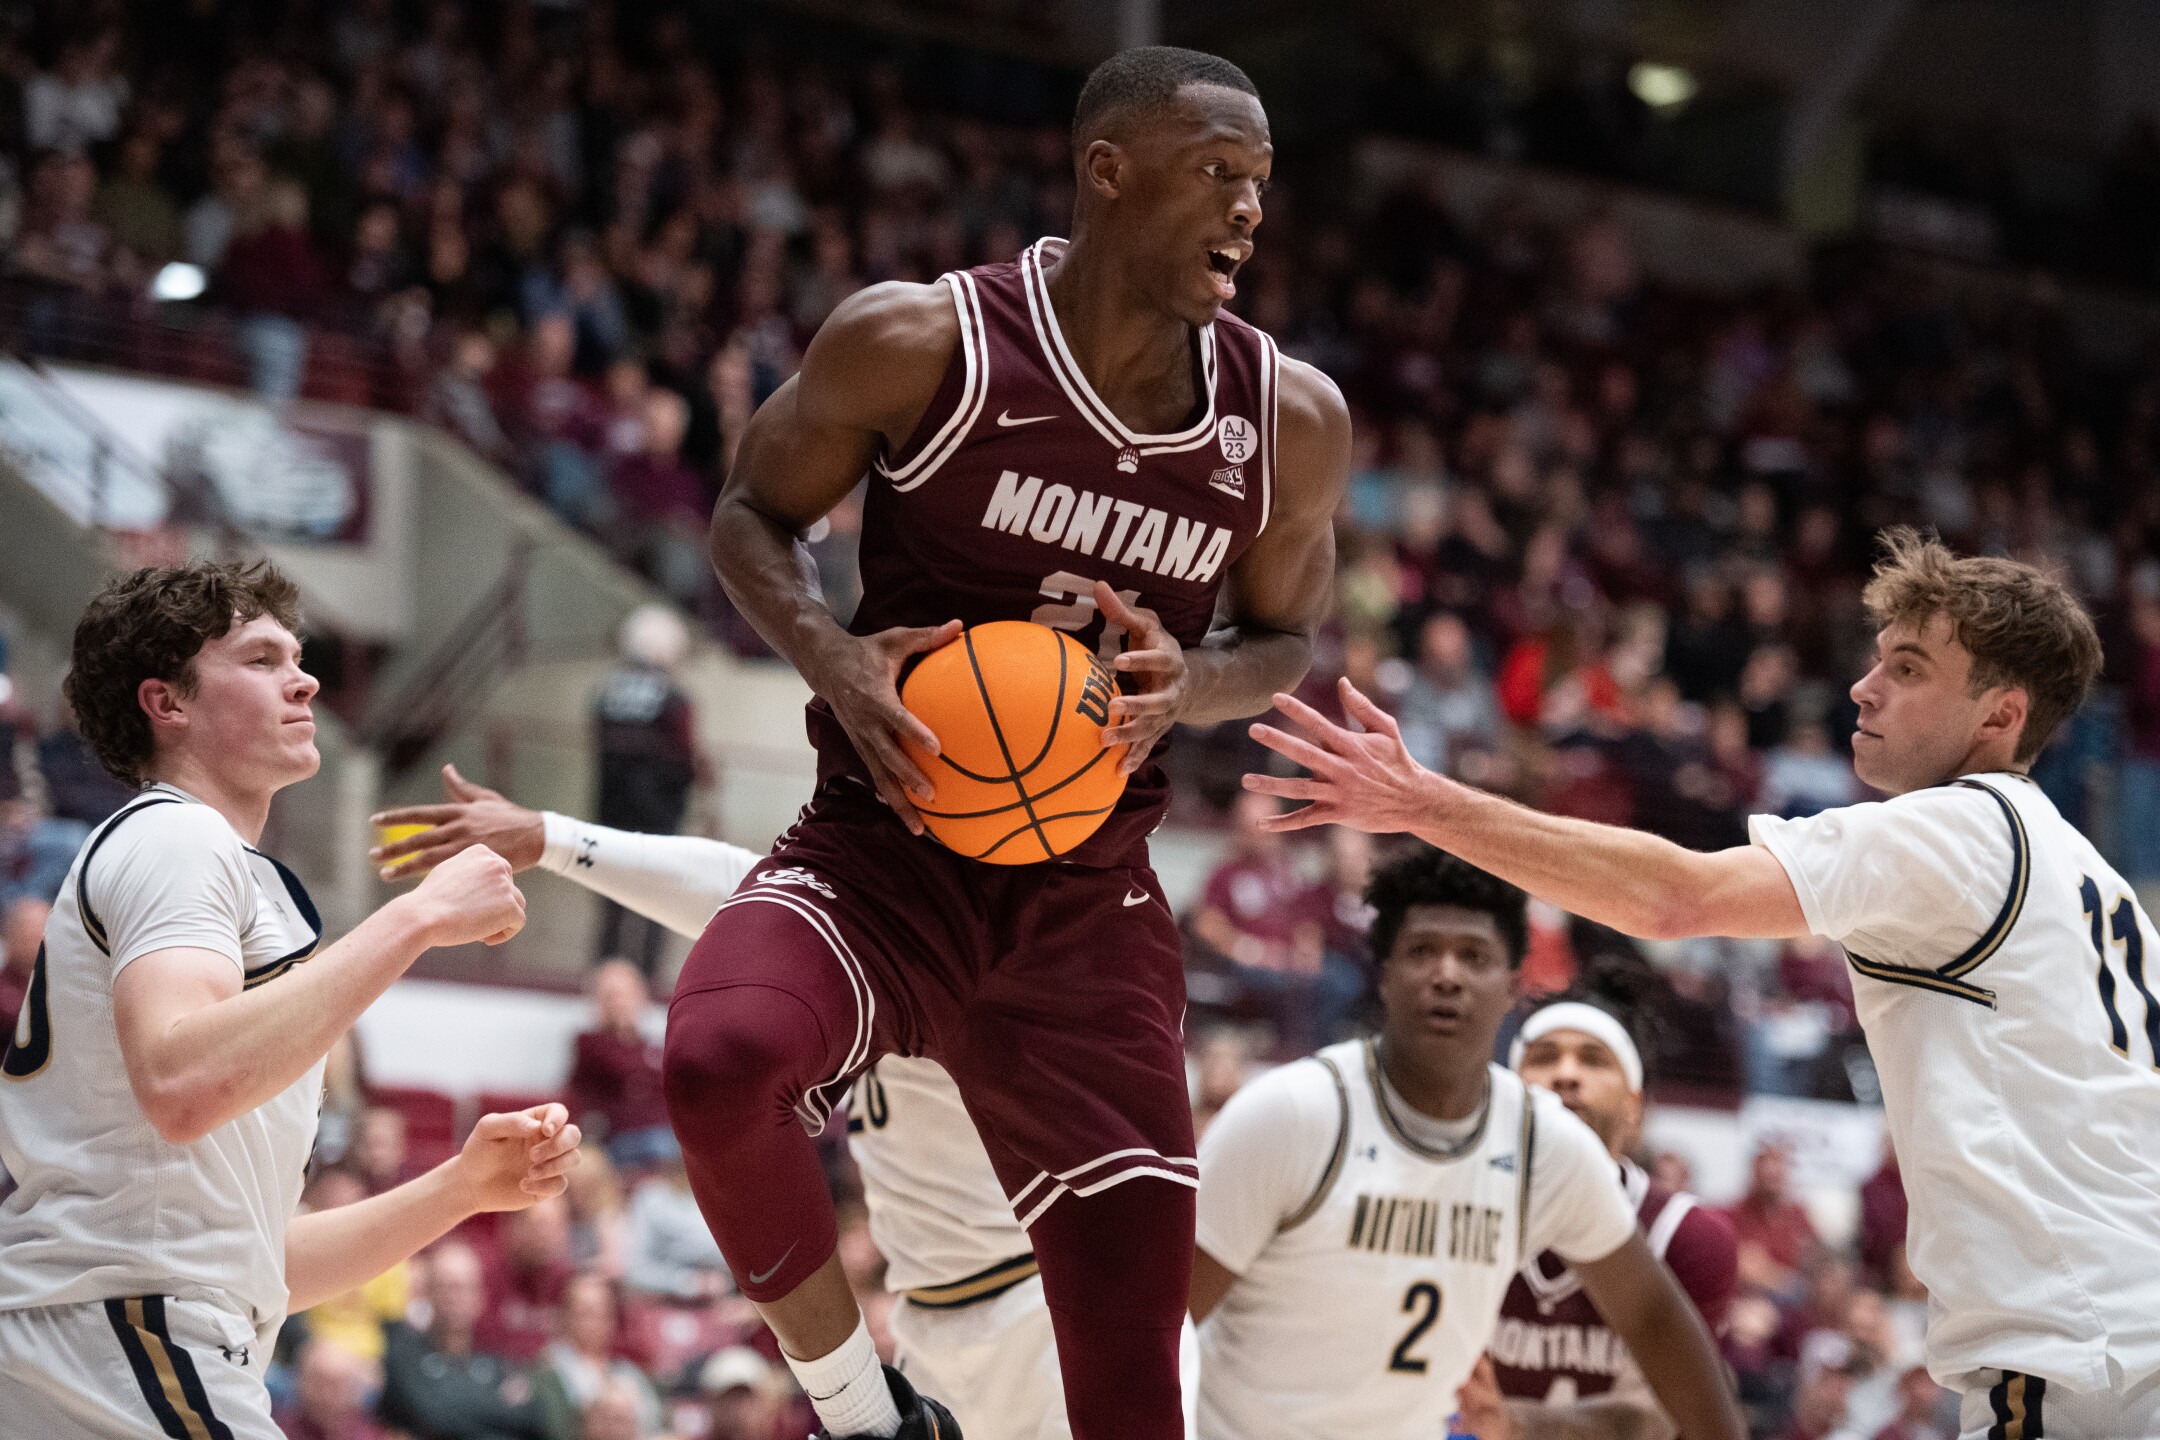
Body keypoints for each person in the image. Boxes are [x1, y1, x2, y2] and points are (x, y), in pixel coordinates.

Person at [686, 44, 1350, 1440]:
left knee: (1132, 1394)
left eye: (1261, 183)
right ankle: (866, 1419)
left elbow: (1286, 639)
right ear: (1109, 172)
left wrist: (1192, 684)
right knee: (716, 1061)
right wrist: (830, 653)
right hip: (887, 853)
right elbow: (749, 513)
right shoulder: (923, 341)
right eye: (1218, 175)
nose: (1249, 211)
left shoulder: (1287, 419)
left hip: (1086, 904)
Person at [1246, 529, 2160, 1439]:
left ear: (2000, 716)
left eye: (1909, 668)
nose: (1863, 686)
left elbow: (1675, 898)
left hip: (2076, 1358)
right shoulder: (2095, 880)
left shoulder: (1961, 830)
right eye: (1877, 658)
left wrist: (1422, 803)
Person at [0, 560, 580, 1439]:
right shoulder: (175, 836)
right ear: (167, 703)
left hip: (113, 1337)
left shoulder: (210, 865)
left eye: (298, 658)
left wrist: (460, 1188)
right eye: (262, 659)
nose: (303, 679)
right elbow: (182, 1083)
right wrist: (418, 916)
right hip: (127, 1336)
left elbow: (254, 1267)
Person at [372, 764, 1089, 1440]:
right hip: (926, 1317)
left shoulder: (1000, 941)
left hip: (1034, 1315)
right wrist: (551, 837)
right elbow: (742, 890)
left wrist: (553, 839)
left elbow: (735, 889)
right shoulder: (875, 934)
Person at [1186, 845, 1741, 1440]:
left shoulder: (1544, 1145)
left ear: (1512, 985)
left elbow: (1653, 1317)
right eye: (1423, 951)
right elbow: (1161, 1321)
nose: (1447, 974)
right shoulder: (1290, 1115)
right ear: (1385, 977)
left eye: (1473, 956)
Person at [1485, 987, 1739, 1438]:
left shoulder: (1688, 1235)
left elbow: (1664, 1416)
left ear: (1633, 1110)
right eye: (1544, 1058)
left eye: (1593, 1060)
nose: (1566, 1074)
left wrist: (1515, 1426)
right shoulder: (1466, 1206)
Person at [591, 605, 702, 974]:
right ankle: (646, 983)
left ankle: (605, 979)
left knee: (610, 904)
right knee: (657, 905)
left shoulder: (606, 692)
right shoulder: (675, 698)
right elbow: (685, 754)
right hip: (660, 817)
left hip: (610, 812)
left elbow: (601, 747)